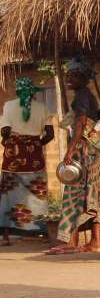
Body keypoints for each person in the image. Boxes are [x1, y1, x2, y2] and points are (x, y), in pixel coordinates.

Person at [47, 56, 100, 255]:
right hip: (90, 155)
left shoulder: (83, 96)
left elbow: (81, 124)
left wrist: (70, 151)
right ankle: (92, 241)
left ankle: (73, 241)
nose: (69, 77)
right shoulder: (83, 95)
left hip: (86, 155)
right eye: (68, 74)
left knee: (75, 198)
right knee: (89, 198)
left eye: (74, 75)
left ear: (84, 78)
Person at [0, 78, 55, 246]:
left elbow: (5, 131)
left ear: (17, 91)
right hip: (34, 157)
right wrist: (36, 144)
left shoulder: (9, 106)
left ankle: (6, 235)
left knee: (8, 194)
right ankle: (40, 231)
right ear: (32, 93)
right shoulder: (42, 108)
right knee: (37, 194)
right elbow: (50, 134)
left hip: (13, 157)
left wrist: (9, 142)